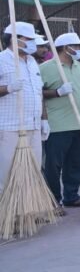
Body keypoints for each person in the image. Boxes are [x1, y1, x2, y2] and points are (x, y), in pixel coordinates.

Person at [41, 32, 80, 209]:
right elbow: (37, 93)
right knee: (53, 165)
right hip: (58, 125)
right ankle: (53, 200)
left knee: (77, 162)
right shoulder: (47, 67)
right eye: (77, 46)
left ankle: (71, 196)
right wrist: (57, 92)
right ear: (66, 48)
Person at [0, 23, 44, 196]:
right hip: (10, 127)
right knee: (7, 173)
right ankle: (5, 215)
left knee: (32, 172)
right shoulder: (2, 59)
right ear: (15, 40)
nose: (33, 43)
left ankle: (26, 212)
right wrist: (8, 88)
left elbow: (38, 91)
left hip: (33, 125)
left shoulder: (32, 62)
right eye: (29, 39)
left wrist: (43, 121)